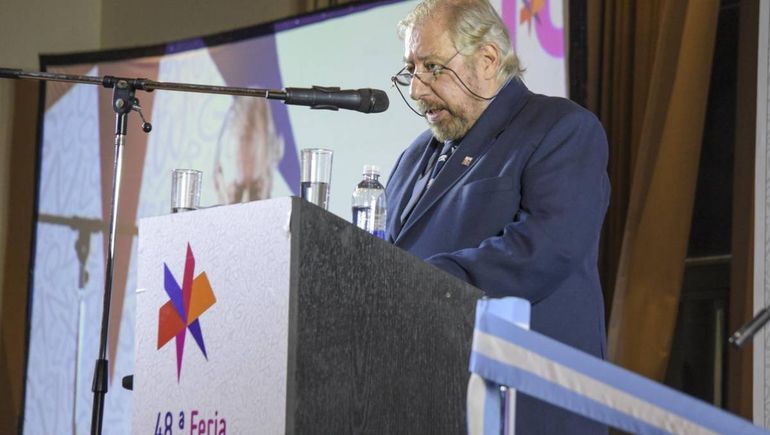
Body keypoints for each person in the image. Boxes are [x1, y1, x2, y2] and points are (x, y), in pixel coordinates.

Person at [385, 0, 610, 433]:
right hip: (427, 403)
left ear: (487, 59)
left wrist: (418, 285)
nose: (416, 89)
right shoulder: (411, 160)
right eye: (410, 69)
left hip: (528, 406)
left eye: (432, 67)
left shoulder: (561, 129)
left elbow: (543, 250)